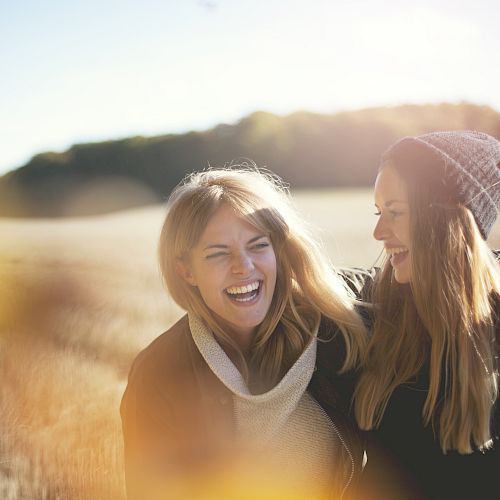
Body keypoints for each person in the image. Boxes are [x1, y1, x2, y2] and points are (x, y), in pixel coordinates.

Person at [120, 166, 368, 500]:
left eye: (257, 245)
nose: (243, 266)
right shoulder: (158, 375)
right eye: (218, 253)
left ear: (278, 251)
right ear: (186, 271)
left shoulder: (336, 325)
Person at [353, 131, 500, 499]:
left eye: (395, 213)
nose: (378, 232)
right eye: (378, 213)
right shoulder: (374, 310)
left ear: (448, 219)